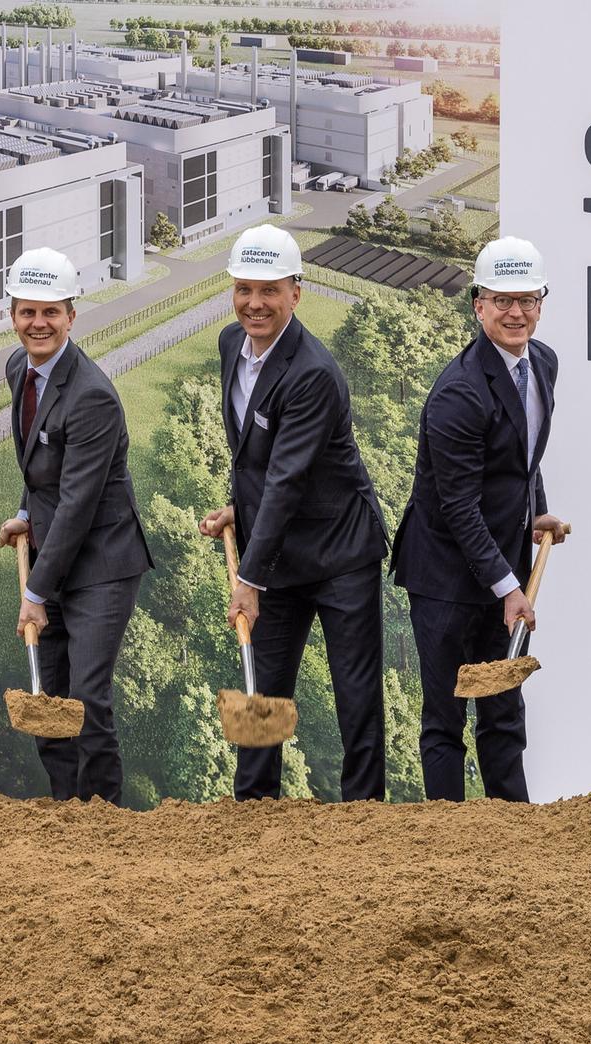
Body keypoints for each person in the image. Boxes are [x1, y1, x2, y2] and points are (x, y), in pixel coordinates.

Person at [198, 224, 390, 801]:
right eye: (244, 289)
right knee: (264, 690)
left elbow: (287, 478)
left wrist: (249, 577)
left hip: (339, 554)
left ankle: (365, 818)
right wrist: (240, 509)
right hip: (276, 548)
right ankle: (255, 808)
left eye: (270, 291)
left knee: (355, 694)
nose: (254, 303)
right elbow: (258, 461)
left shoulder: (313, 374)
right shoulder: (233, 344)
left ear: (296, 293)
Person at [392, 237, 568, 802]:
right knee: (446, 720)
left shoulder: (542, 363)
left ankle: (510, 830)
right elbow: (457, 506)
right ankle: (450, 845)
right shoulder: (459, 393)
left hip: (501, 571)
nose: (516, 313)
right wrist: (508, 587)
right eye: (502, 301)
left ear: (541, 302)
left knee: (503, 708)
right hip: (444, 577)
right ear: (478, 305)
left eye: (527, 299)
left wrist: (535, 509)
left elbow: (523, 456)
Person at [0, 248, 152, 805]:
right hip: (52, 548)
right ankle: (65, 812)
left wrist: (35, 594)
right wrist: (22, 512)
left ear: (71, 316)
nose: (38, 323)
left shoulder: (92, 397)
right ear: (12, 313)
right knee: (49, 692)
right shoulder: (21, 368)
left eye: (51, 313)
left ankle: (104, 819)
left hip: (101, 564)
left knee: (86, 698)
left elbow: (79, 503)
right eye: (27, 311)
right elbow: (43, 471)